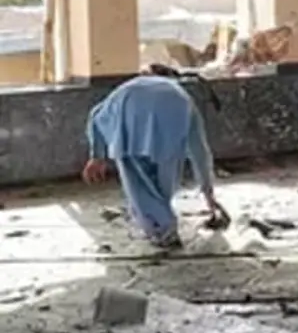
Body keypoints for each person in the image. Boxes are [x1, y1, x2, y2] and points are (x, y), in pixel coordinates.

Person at [82, 70, 226, 249]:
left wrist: (97, 156)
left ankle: (162, 230)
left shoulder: (129, 87)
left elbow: (96, 115)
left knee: (139, 186)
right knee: (164, 187)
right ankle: (163, 226)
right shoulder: (183, 97)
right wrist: (208, 192)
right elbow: (200, 150)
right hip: (170, 125)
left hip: (130, 121)